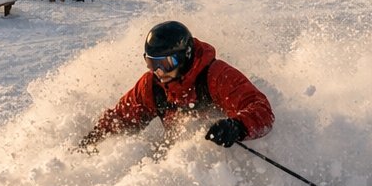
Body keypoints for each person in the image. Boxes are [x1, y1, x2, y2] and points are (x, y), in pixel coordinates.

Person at [79, 20, 274, 150]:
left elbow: (261, 110)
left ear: (185, 56)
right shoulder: (152, 86)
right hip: (178, 161)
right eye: (152, 63)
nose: (159, 72)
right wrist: (92, 141)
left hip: (223, 162)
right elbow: (122, 117)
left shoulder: (216, 76)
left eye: (165, 64)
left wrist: (237, 127)